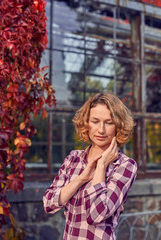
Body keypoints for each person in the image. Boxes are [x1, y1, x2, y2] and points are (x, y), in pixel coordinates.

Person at [43, 92, 137, 240]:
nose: (101, 130)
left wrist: (101, 166)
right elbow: (49, 204)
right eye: (95, 121)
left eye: (109, 122)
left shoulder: (125, 166)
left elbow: (97, 215)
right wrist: (81, 179)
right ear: (86, 123)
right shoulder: (73, 159)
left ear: (119, 126)